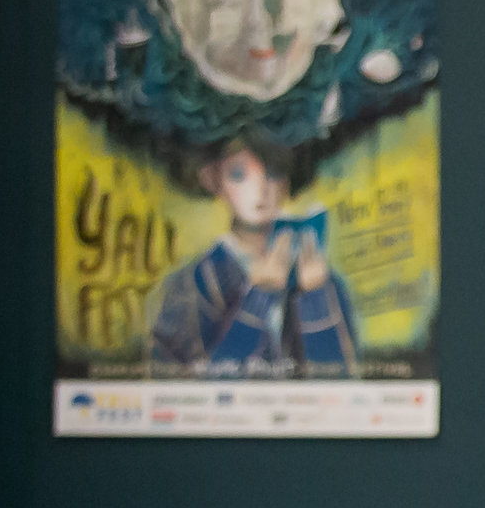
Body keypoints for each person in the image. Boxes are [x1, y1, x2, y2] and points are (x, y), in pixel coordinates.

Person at [142, 135, 362, 372]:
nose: (261, 190)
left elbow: (339, 386)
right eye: (239, 175)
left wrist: (315, 296)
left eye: (274, 173)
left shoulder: (317, 278)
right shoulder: (189, 285)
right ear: (212, 180)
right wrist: (259, 299)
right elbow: (185, 390)